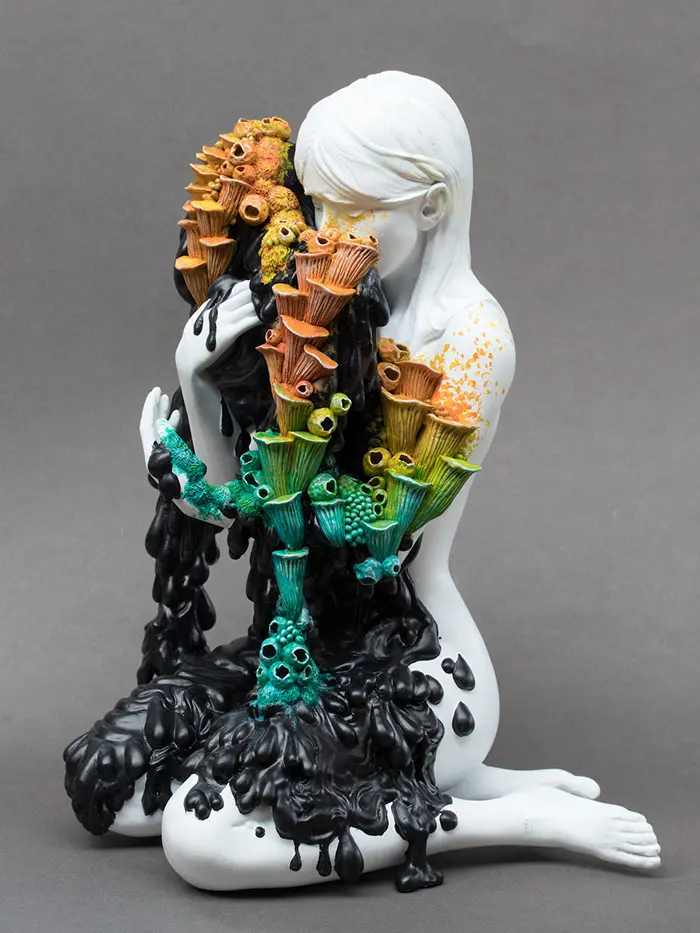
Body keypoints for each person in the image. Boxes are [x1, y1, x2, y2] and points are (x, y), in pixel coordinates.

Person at [66, 72, 660, 891]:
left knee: (203, 840)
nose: (323, 231)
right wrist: (200, 385)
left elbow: (371, 534)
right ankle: (450, 777)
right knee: (117, 788)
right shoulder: (321, 308)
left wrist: (209, 478)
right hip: (308, 641)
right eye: (316, 202)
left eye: (351, 208)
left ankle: (506, 817)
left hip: (412, 652)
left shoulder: (470, 338)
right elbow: (250, 499)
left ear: (432, 205)